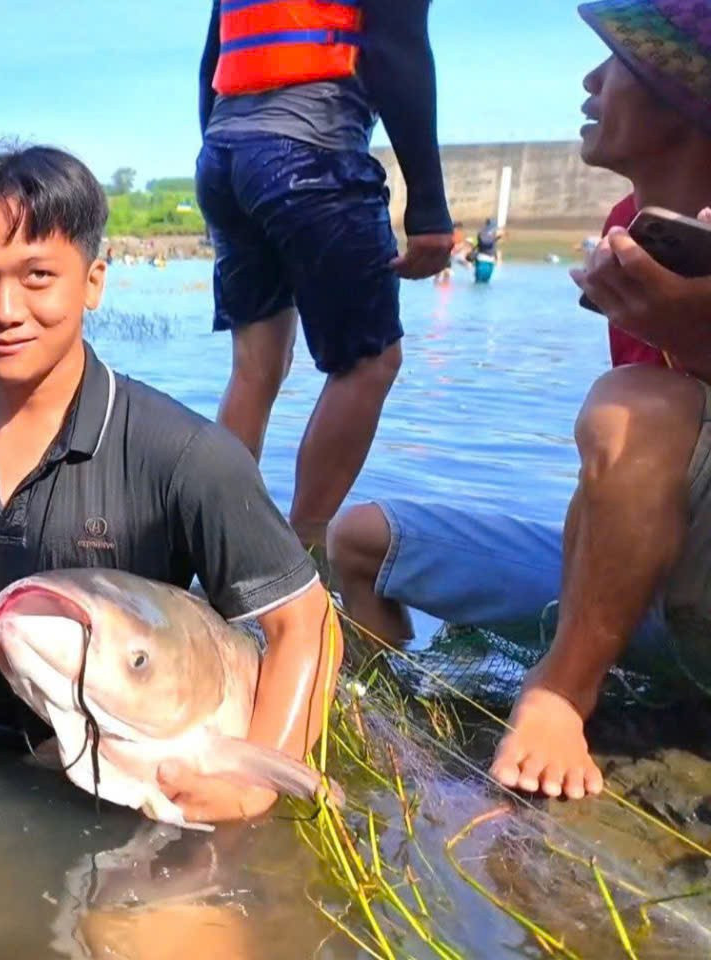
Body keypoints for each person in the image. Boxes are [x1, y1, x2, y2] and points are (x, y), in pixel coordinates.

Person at [0, 145, 337, 822]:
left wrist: (255, 785)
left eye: (38, 276)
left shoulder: (187, 454)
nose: (4, 309)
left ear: (93, 281)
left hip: (119, 770)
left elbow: (306, 622)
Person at [329, 0, 711, 801]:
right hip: (638, 592)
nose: (591, 82)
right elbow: (615, 485)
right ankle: (394, 742)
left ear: (683, 102)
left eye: (619, 65)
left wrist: (696, 337)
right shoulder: (627, 229)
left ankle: (561, 696)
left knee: (638, 404)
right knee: (360, 539)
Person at [195, 0, 454, 553]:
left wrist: (227, 165)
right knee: (369, 363)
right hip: (311, 152)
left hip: (222, 154)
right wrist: (429, 206)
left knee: (255, 368)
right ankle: (302, 553)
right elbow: (398, 48)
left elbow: (210, 62)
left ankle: (221, 547)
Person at [472, 217, 503, 283]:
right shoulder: (483, 232)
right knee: (479, 281)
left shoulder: (493, 232)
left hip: (491, 260)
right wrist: (495, 238)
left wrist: (498, 258)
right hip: (482, 259)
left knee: (486, 281)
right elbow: (484, 243)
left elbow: (494, 247)